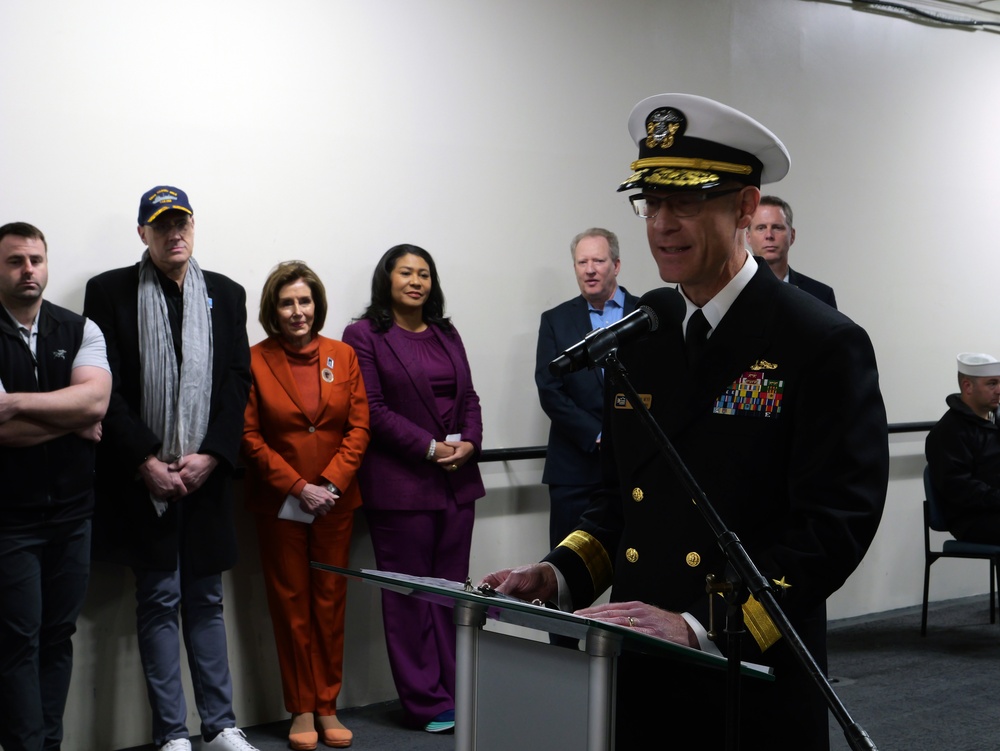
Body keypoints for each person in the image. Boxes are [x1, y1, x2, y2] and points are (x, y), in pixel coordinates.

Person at [481, 94, 889, 749]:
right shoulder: (643, 335)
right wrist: (558, 572)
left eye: (687, 201)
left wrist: (702, 624)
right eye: (651, 202)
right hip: (643, 666)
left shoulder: (816, 339)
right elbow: (622, 505)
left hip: (748, 666)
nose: (663, 224)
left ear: (747, 208)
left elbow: (833, 526)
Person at [83, 186, 259, 751]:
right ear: (143, 234)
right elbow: (103, 388)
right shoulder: (108, 292)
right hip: (143, 480)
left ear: (192, 226)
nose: (173, 232)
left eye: (181, 221)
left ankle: (221, 725)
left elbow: (236, 382)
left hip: (206, 476)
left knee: (206, 599)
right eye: (161, 225)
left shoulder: (227, 295)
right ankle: (170, 734)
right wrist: (144, 461)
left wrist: (212, 455)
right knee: (158, 597)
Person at [342, 244, 485, 734]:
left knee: (451, 596)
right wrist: (428, 449)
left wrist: (470, 444)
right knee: (408, 598)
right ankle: (425, 702)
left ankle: (456, 689)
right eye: (406, 272)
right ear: (387, 279)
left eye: (424, 273)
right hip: (402, 485)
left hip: (457, 484)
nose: (416, 281)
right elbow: (371, 408)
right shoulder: (364, 335)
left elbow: (470, 397)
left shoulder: (446, 331)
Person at [240, 261, 370, 750]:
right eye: (288, 302)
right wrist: (299, 486)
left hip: (335, 503)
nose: (298, 311)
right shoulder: (254, 360)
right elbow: (249, 437)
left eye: (305, 301)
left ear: (317, 304)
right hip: (281, 504)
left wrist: (330, 484)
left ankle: (329, 704)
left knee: (330, 603)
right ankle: (301, 708)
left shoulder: (344, 354)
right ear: (273, 309)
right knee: (290, 605)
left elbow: (358, 428)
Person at [0, 222, 111, 751]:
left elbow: (96, 404)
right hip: (10, 519)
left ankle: (48, 744)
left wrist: (16, 402)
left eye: (36, 260)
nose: (28, 271)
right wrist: (71, 417)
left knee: (56, 637)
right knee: (16, 642)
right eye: (16, 261)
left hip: (73, 513)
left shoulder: (80, 328)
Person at [535, 228, 638, 650]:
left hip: (636, 468)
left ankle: (625, 662)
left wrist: (624, 438)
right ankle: (562, 666)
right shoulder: (557, 320)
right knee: (563, 578)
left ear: (616, 264)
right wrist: (596, 435)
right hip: (574, 468)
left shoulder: (646, 314)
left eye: (598, 261)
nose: (590, 270)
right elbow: (549, 389)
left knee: (634, 573)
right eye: (582, 262)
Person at [925, 352, 1000, 543]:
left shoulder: (995, 421)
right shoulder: (949, 432)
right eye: (992, 384)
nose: (999, 390)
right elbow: (959, 487)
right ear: (967, 386)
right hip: (973, 519)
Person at [746, 195, 837, 308]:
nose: (769, 235)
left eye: (777, 227)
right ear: (748, 237)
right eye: (761, 228)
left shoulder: (820, 295)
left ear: (792, 236)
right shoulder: (733, 291)